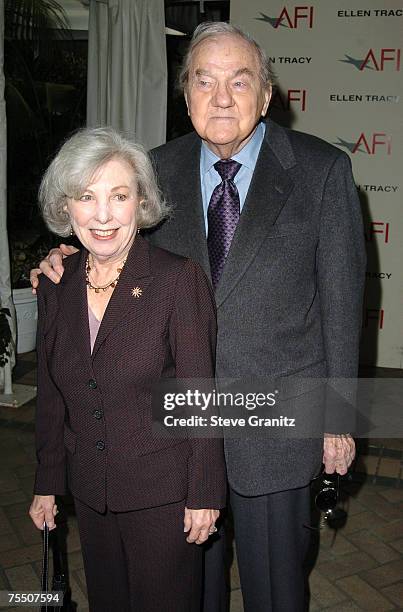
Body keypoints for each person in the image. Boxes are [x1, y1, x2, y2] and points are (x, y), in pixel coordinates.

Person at [31, 22, 366, 612]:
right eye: (204, 82)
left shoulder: (322, 171)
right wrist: (60, 260)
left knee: (276, 593)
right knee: (191, 595)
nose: (221, 98)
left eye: (239, 82)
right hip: (180, 442)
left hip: (277, 429)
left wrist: (338, 419)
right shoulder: (153, 171)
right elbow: (109, 236)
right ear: (185, 97)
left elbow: (343, 305)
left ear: (266, 96)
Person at [28, 127, 227, 612]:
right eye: (86, 196)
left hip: (164, 494)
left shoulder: (176, 280)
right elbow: (54, 395)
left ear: (141, 203)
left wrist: (204, 492)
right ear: (65, 207)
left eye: (119, 196)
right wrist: (47, 482)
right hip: (92, 492)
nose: (101, 215)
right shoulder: (56, 284)